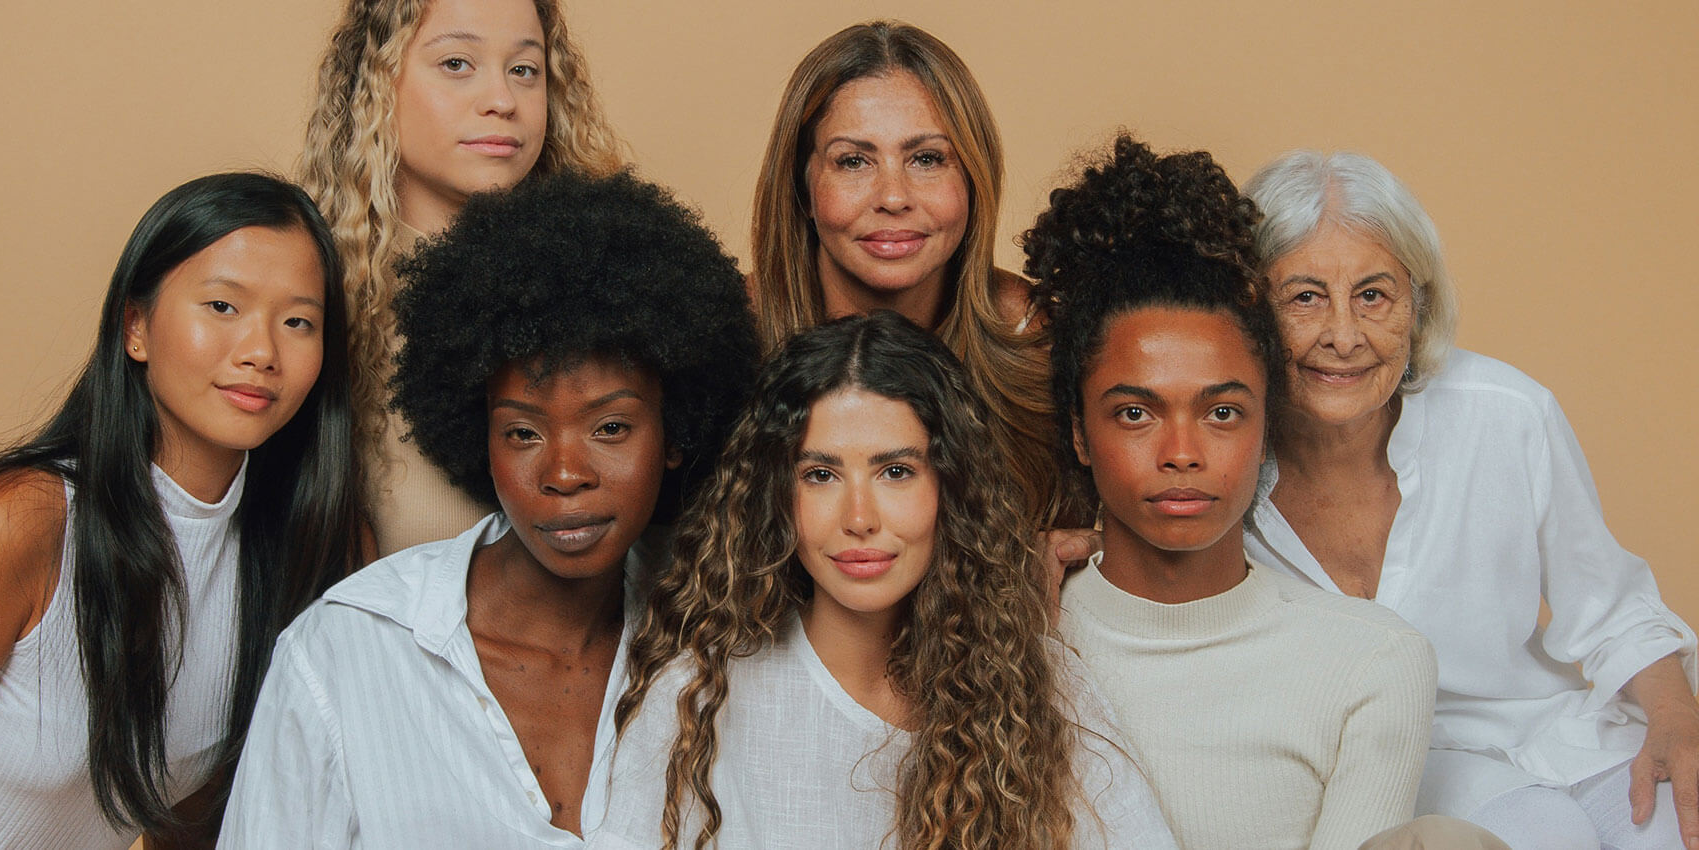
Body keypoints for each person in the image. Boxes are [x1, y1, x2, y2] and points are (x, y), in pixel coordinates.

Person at [0, 0, 631, 631]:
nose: (501, 98)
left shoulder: (622, 277)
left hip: (589, 687)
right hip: (378, 696)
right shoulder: (299, 283)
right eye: (457, 63)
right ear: (376, 83)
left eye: (526, 70)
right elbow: (165, 448)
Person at [218, 170, 758, 847]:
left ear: (676, 431)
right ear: (479, 437)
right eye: (523, 433)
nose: (564, 474)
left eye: (611, 428)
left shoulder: (722, 649)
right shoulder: (347, 654)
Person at [1241, 149, 1699, 850]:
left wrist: (1683, 726)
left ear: (1418, 306)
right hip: (1403, 775)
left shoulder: (1507, 411)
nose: (1344, 335)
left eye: (1373, 295)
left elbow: (1611, 609)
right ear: (1249, 309)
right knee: (1546, 837)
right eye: (1304, 297)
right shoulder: (1214, 463)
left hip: (1563, 736)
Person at [0, 173, 363, 847]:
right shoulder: (13, 525)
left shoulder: (294, 552)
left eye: (298, 322)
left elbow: (189, 821)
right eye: (223, 307)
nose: (261, 351)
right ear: (136, 328)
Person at [592, 312, 1177, 849]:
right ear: (775, 494)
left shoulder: (1036, 688)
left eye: (895, 472)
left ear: (951, 487)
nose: (859, 518)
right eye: (820, 474)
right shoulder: (696, 698)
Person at [1027, 131, 1445, 849]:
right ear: (1077, 434)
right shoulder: (1021, 635)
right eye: (1136, 413)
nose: (1183, 454)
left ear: (1264, 426)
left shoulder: (1373, 663)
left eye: (1222, 413)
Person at [748, 21, 1063, 529]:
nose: (893, 197)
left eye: (927, 159)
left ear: (974, 178)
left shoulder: (1030, 339)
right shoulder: (734, 332)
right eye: (853, 161)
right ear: (802, 187)